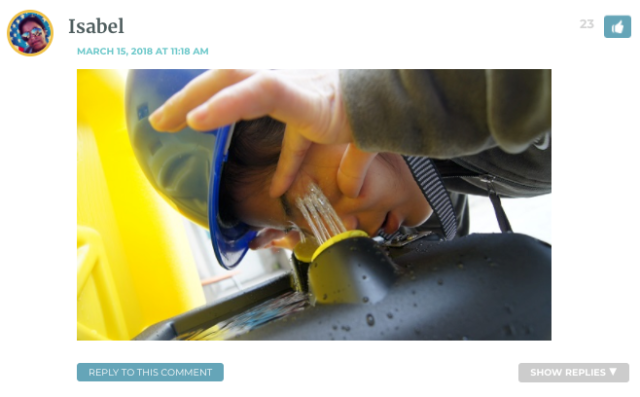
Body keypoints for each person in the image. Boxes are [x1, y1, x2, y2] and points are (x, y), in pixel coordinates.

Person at [149, 70, 551, 250]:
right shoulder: (427, 150)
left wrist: (371, 97)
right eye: (298, 226)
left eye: (312, 202)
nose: (341, 232)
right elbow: (450, 238)